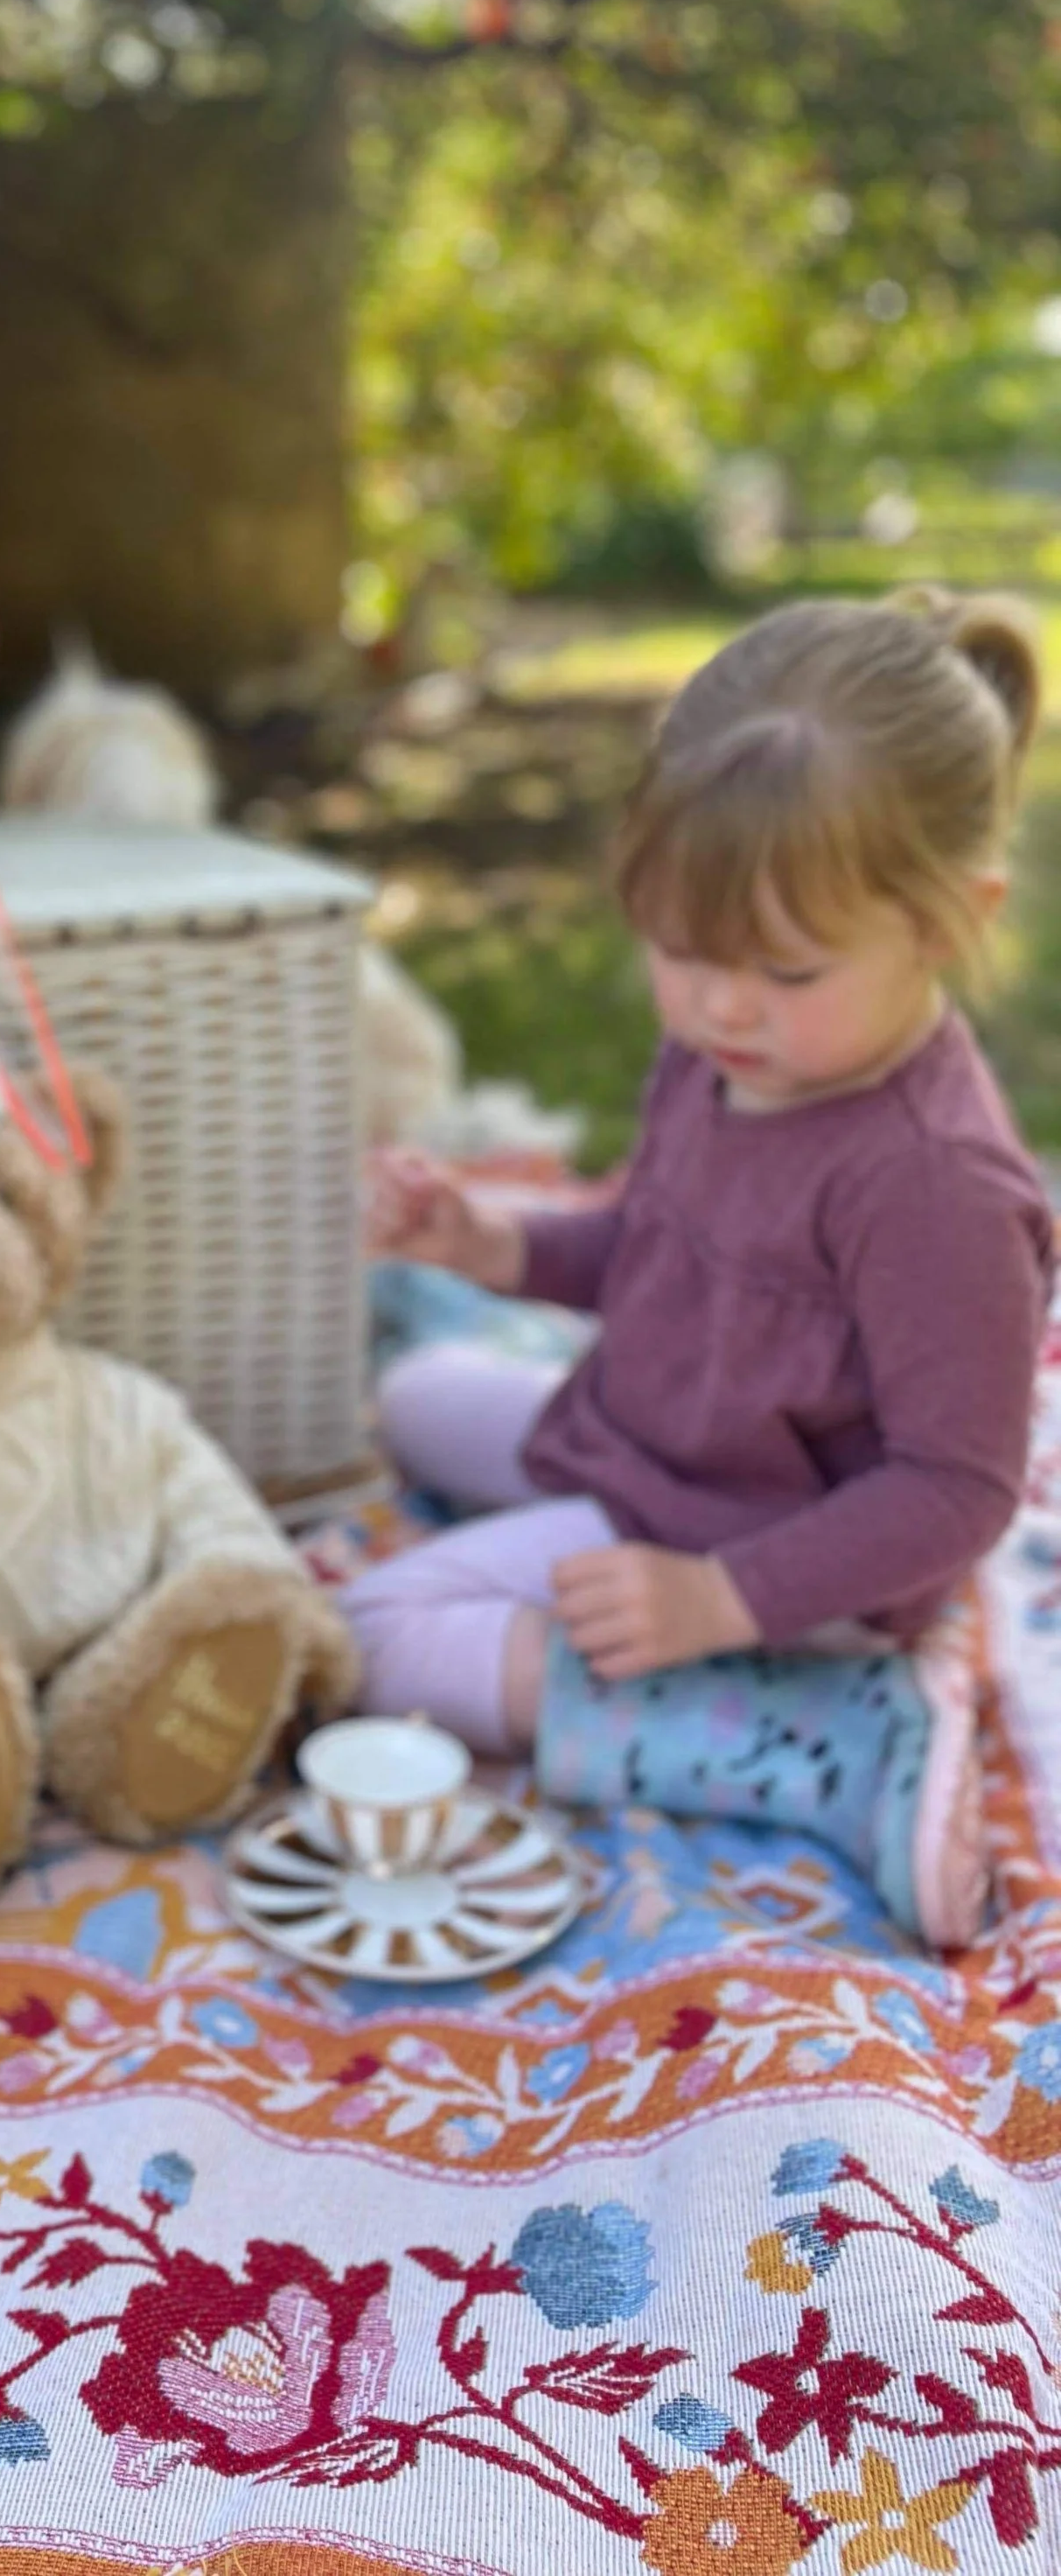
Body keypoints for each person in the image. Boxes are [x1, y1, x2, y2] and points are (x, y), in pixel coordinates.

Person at [356, 592, 1054, 1949]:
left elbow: (959, 1487)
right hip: (668, 1439)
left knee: (378, 1631)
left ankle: (824, 1729)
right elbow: (658, 1247)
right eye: (683, 952)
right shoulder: (739, 1051)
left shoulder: (931, 1185)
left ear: (949, 920)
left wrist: (715, 1602)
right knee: (415, 1397)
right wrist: (489, 1245)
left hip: (771, 1542)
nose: (722, 1005)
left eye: (786, 968)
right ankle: (673, 1576)